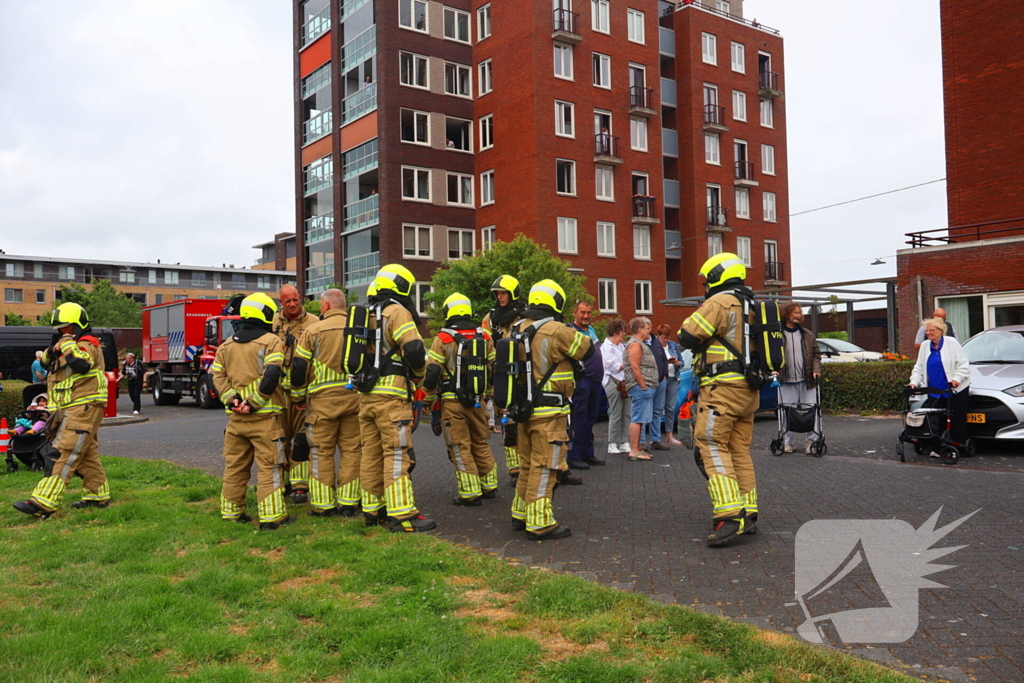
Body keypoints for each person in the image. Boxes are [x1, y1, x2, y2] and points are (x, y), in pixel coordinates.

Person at [677, 252, 760, 547]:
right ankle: (749, 511)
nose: (705, 285)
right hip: (748, 389)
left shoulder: (719, 302)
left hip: (721, 388)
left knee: (711, 444)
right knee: (739, 450)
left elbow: (687, 336)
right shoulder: (753, 303)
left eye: (706, 279)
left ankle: (729, 514)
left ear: (717, 276)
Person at [509, 280, 594, 540]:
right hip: (549, 412)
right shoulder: (556, 329)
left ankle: (520, 514)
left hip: (523, 409)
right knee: (545, 467)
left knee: (527, 464)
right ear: (556, 302)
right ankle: (540, 523)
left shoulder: (516, 328)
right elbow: (587, 349)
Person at [13, 303, 111, 518]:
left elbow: (81, 364)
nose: (63, 333)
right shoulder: (68, 345)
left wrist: (67, 344)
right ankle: (97, 496)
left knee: (62, 453)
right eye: (60, 329)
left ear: (77, 326)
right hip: (73, 407)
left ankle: (44, 501)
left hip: (83, 406)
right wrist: (54, 349)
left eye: (67, 329)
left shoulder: (87, 344)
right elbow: (46, 361)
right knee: (86, 454)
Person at [359, 264, 436, 533]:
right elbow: (414, 350)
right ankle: (402, 514)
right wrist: (418, 376)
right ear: (401, 286)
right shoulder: (397, 312)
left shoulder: (366, 313)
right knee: (395, 454)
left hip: (366, 397)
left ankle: (372, 510)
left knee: (370, 454)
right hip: (391, 398)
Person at [211, 293, 291, 529]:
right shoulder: (272, 341)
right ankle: (272, 517)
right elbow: (272, 373)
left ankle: (231, 513)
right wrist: (254, 402)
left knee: (234, 467)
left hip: (235, 420)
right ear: (265, 313)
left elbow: (218, 375)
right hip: (264, 420)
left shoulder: (225, 346)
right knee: (270, 467)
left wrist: (232, 400)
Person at [290, 288, 363, 517]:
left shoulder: (313, 330)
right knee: (352, 450)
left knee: (321, 451)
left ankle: (323, 505)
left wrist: (298, 397)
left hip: (322, 403)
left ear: (326, 306)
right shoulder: (358, 330)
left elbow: (299, 367)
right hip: (355, 400)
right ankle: (349, 502)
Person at [424, 293, 497, 506]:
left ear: (448, 311)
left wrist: (428, 399)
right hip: (477, 400)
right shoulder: (484, 336)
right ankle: (489, 486)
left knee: (459, 446)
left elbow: (433, 372)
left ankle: (469, 493)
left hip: (453, 402)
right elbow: (493, 369)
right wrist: (486, 394)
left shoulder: (443, 338)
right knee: (480, 442)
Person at [273, 283, 318, 503]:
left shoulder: (315, 323)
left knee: (302, 439)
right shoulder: (272, 323)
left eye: (295, 299)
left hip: (305, 393)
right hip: (279, 392)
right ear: (281, 302)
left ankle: (300, 486)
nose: (293, 304)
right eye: (288, 301)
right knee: (280, 439)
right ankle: (282, 482)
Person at [481, 274, 526, 485]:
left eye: (503, 293)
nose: (500, 297)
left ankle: (526, 466)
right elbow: (483, 345)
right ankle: (514, 470)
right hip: (500, 376)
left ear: (512, 294)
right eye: (497, 293)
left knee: (522, 424)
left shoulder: (524, 318)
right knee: (507, 423)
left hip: (521, 377)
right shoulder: (490, 318)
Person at [909, 317, 971, 455]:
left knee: (956, 419)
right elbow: (919, 367)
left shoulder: (952, 343)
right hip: (935, 390)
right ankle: (937, 448)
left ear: (941, 330)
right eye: (927, 331)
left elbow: (963, 365)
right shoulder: (925, 346)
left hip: (955, 389)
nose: (929, 333)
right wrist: (914, 382)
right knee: (936, 419)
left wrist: (956, 379)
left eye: (932, 330)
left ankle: (957, 447)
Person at [779, 303, 822, 453]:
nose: (799, 315)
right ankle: (788, 442)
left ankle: (812, 442)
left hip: (807, 380)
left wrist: (816, 370)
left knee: (812, 410)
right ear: (786, 314)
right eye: (796, 313)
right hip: (786, 380)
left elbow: (817, 354)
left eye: (800, 313)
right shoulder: (777, 334)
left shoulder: (807, 334)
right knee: (786, 411)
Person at [567, 301, 605, 470]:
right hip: (582, 380)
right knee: (579, 419)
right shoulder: (571, 331)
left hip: (596, 381)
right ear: (575, 312)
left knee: (591, 419)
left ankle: (588, 453)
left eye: (589, 312)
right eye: (582, 312)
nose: (586, 316)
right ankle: (575, 455)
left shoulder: (591, 330)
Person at [624, 317, 658, 461]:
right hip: (640, 387)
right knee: (637, 418)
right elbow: (634, 366)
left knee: (641, 419)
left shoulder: (640, 344)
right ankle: (634, 450)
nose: (649, 331)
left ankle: (638, 449)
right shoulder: (635, 345)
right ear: (639, 329)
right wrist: (643, 385)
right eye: (647, 328)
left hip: (644, 387)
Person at [601, 319, 631, 455]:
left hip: (624, 383)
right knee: (616, 414)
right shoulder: (606, 347)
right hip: (612, 382)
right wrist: (628, 364)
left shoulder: (620, 346)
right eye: (622, 331)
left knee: (626, 414)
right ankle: (612, 443)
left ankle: (625, 441)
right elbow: (611, 365)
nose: (624, 334)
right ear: (615, 331)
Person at [657, 324, 685, 446]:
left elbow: (682, 362)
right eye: (663, 337)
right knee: (658, 408)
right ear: (658, 336)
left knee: (670, 408)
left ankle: (669, 436)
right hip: (661, 379)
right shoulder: (655, 346)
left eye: (667, 337)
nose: (665, 340)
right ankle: (656, 437)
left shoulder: (673, 345)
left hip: (673, 378)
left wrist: (677, 362)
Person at [645, 325, 671, 451]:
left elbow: (664, 360)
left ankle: (655, 439)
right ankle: (640, 442)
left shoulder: (655, 342)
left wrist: (665, 375)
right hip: (647, 382)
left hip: (660, 381)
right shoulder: (639, 343)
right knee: (644, 412)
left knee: (657, 412)